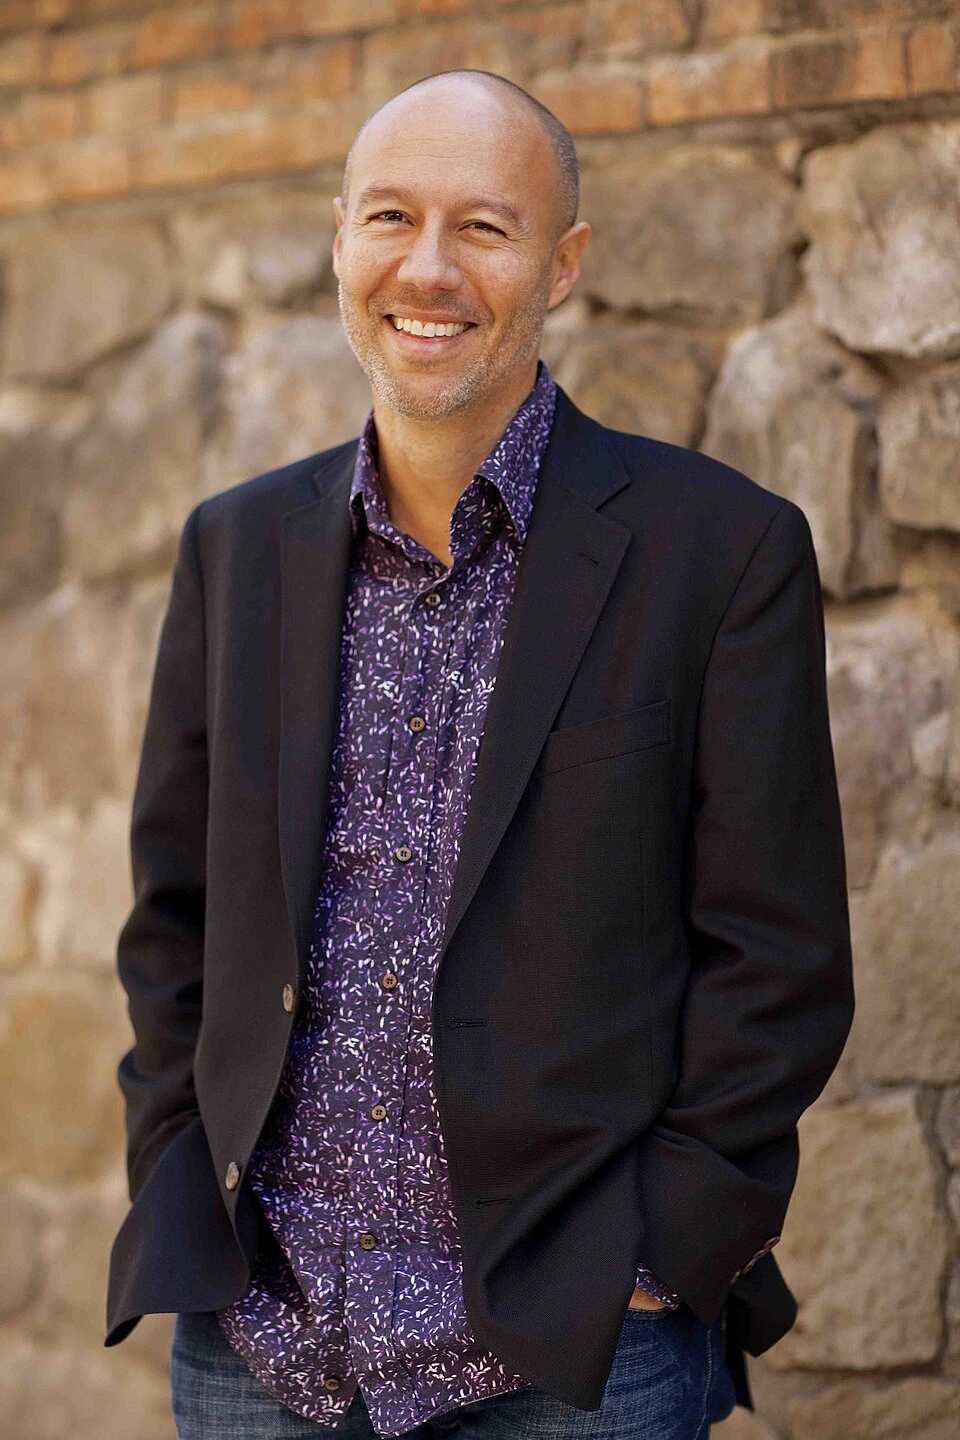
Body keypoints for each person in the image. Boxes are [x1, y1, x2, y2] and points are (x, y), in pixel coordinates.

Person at [105, 67, 855, 1440]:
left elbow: (779, 960)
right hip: (261, 1345)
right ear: (339, 237)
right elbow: (176, 920)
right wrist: (176, 1175)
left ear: (562, 263)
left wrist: (662, 1255)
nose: (428, 269)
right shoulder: (237, 548)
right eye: (390, 217)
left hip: (571, 1357)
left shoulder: (721, 551)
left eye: (485, 228)